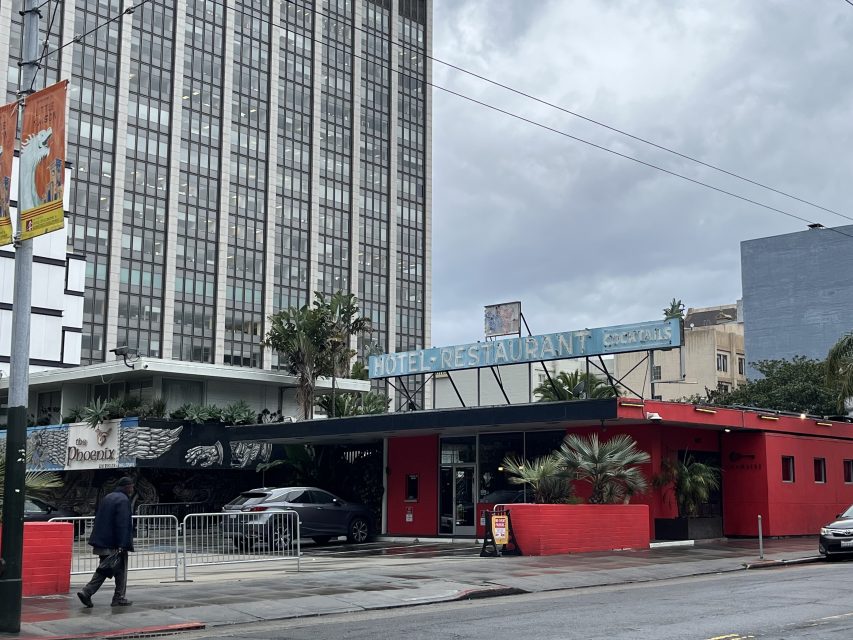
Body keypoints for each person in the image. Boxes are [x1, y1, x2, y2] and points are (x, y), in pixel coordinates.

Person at [77, 477, 135, 608]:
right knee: (111, 569)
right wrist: (123, 544)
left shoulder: (108, 497)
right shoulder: (123, 500)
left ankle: (118, 596)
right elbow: (123, 524)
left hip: (102, 541)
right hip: (114, 543)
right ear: (127, 487)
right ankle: (89, 591)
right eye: (131, 486)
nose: (132, 489)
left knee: (110, 569)